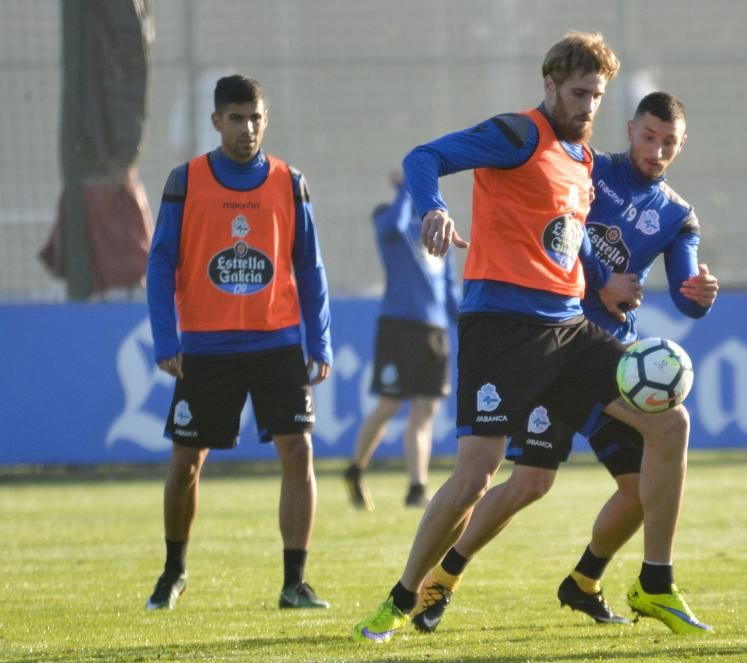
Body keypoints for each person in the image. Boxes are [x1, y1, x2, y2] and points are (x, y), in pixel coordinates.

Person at [352, 32, 705, 643]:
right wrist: (433, 207)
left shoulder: (584, 160)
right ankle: (402, 595)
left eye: (596, 95)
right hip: (501, 327)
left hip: (570, 328)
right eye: (577, 93)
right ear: (548, 85)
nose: (588, 106)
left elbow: (568, 243)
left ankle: (654, 579)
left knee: (669, 422)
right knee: (476, 476)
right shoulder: (517, 135)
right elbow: (422, 158)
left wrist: (607, 283)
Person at [144, 74, 333, 611]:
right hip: (206, 346)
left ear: (265, 119)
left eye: (255, 118)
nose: (247, 128)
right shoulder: (185, 181)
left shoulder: (290, 182)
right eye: (235, 118)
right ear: (216, 122)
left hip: (276, 343)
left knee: (299, 451)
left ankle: (295, 583)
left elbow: (310, 268)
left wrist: (318, 340)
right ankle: (173, 571)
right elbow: (160, 264)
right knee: (186, 463)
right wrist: (167, 336)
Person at [344, 171, 460, 510]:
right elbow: (392, 225)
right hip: (399, 326)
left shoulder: (440, 231)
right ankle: (355, 468)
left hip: (434, 331)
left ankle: (416, 487)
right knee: (390, 404)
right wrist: (406, 190)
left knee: (425, 410)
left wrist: (462, 324)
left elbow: (449, 287)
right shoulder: (389, 220)